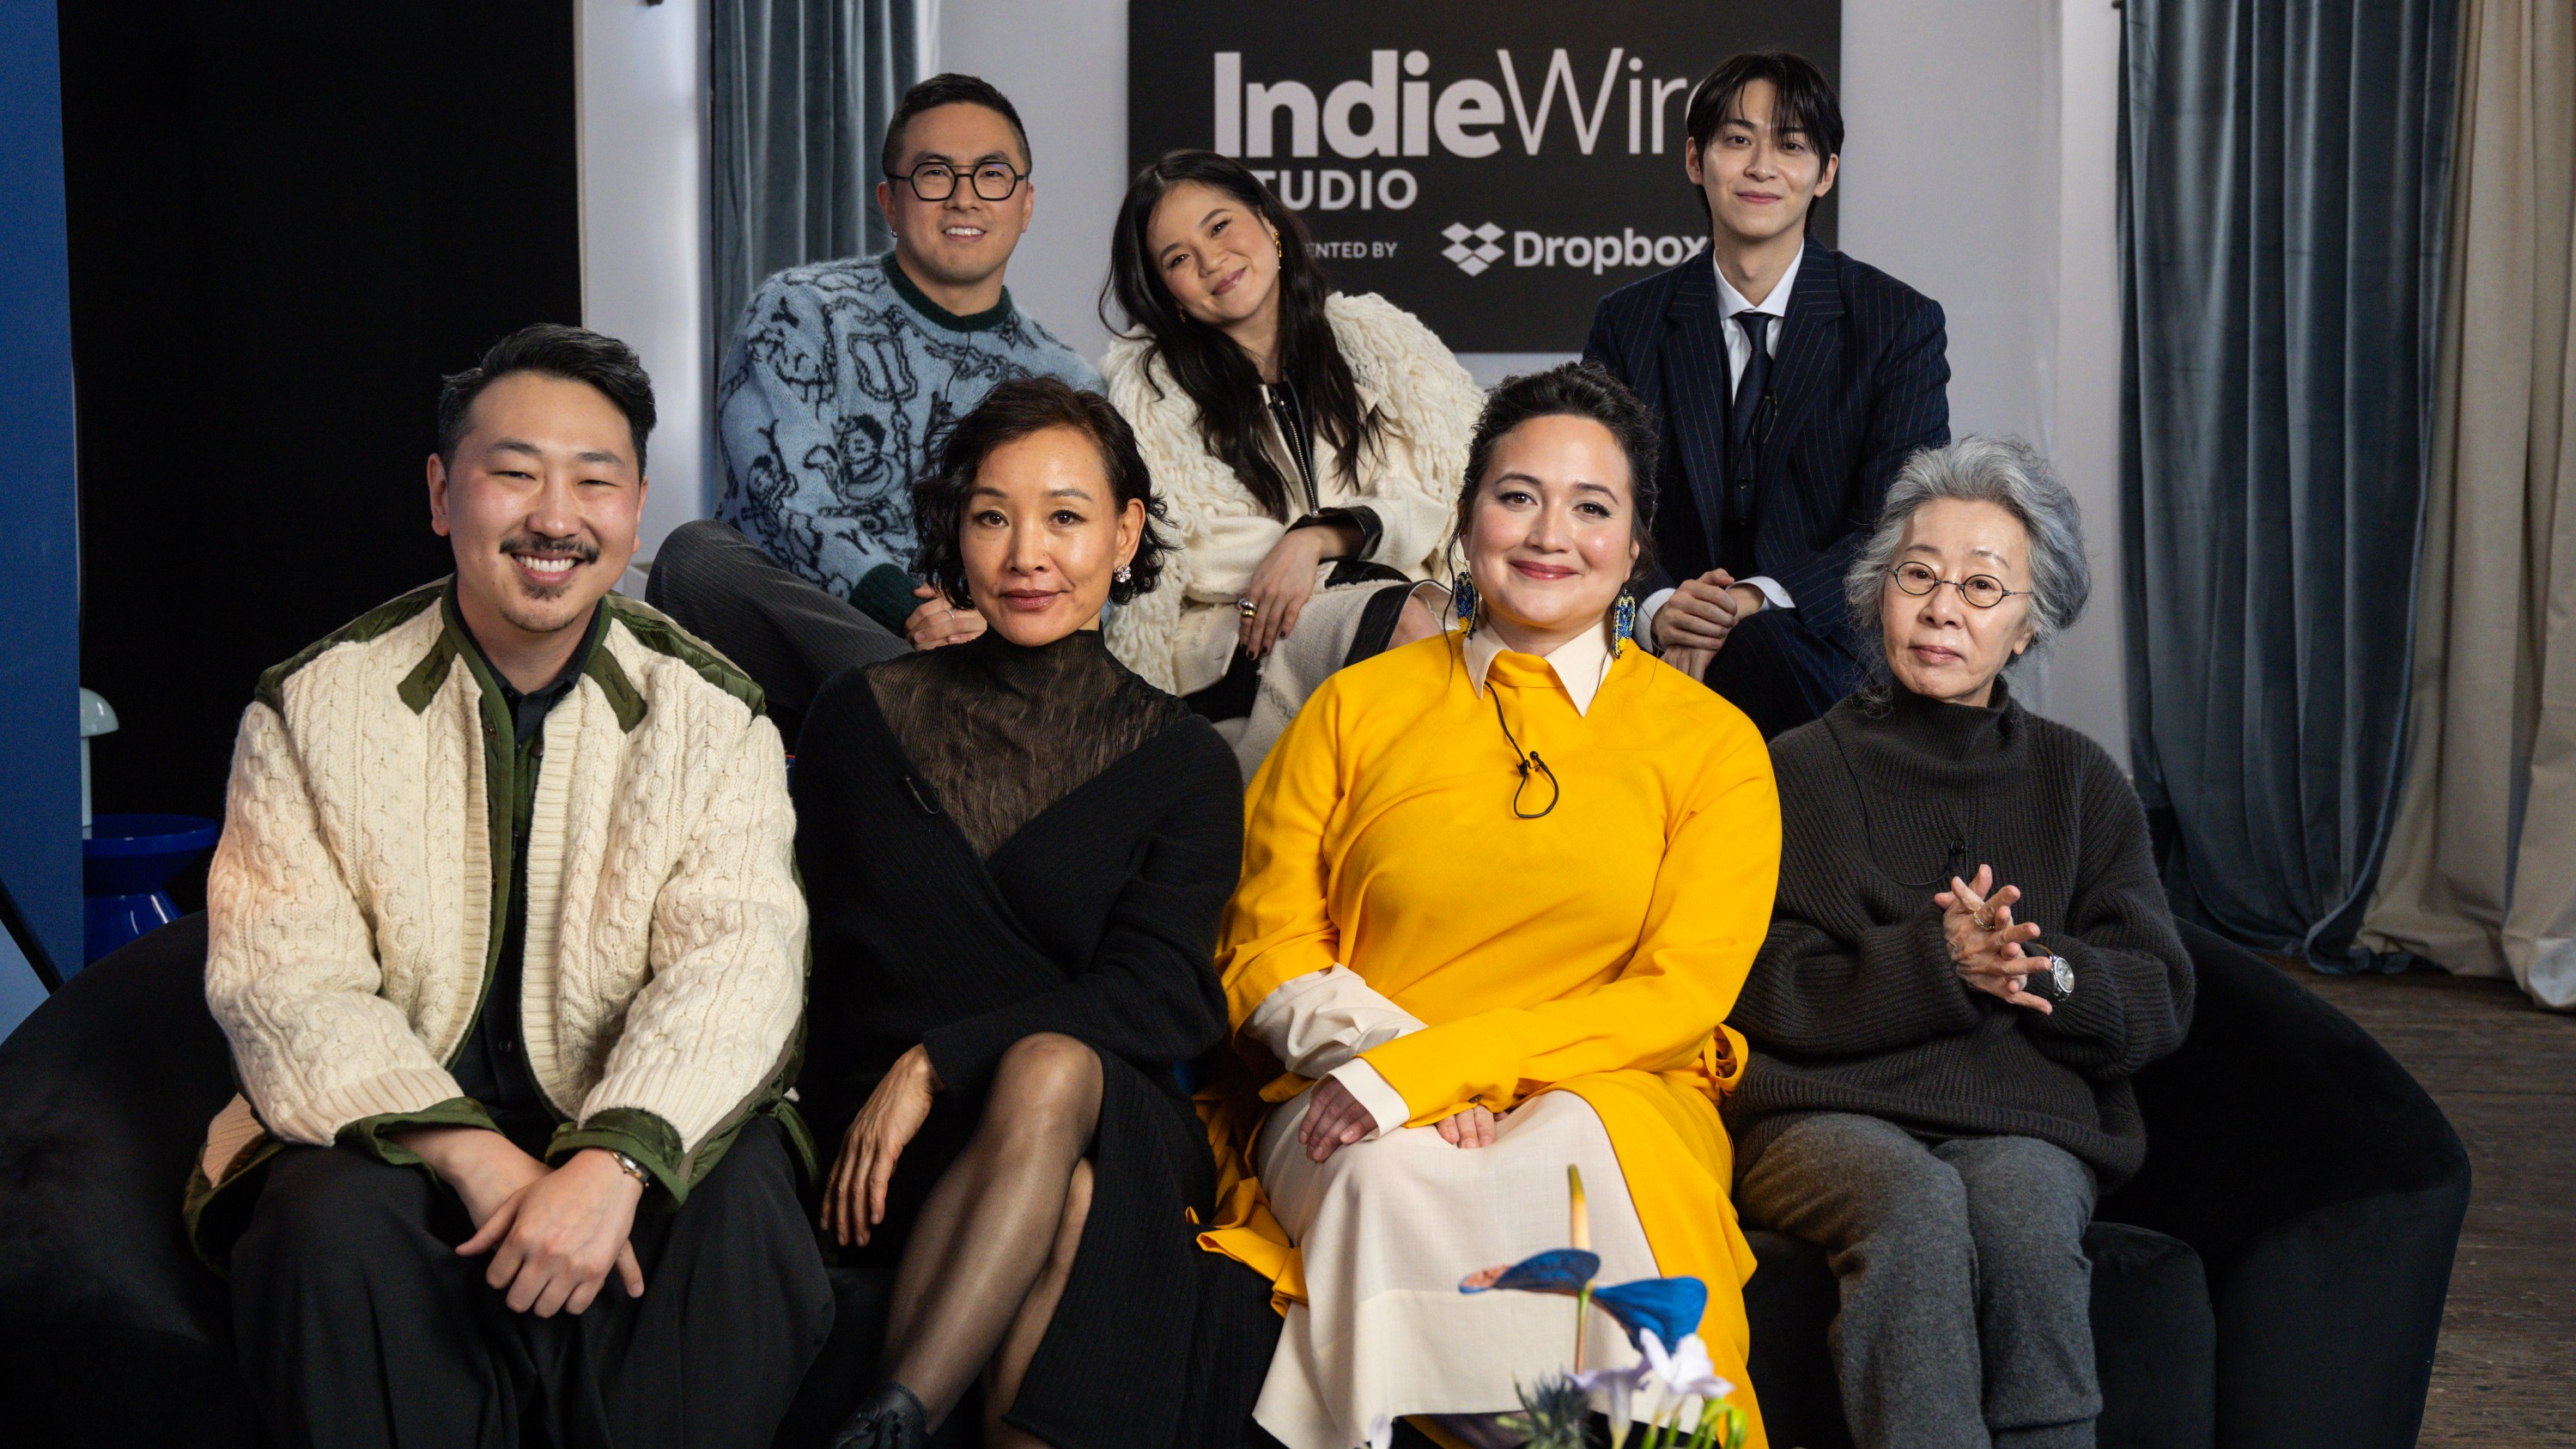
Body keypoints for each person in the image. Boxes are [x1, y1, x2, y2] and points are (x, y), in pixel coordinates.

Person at [188, 325, 829, 1447]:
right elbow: (284, 980)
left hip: (634, 1113)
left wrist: (614, 1155)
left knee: (743, 1207)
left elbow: (738, 963)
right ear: (444, 493)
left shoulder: (715, 714)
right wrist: (474, 1154)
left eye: (594, 479)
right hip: (404, 1131)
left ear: (633, 511)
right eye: (514, 472)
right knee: (320, 1223)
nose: (553, 515)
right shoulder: (309, 707)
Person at [1198, 364, 1779, 1449]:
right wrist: (1389, 1066)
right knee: (1383, 1175)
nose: (1550, 532)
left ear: (1636, 544)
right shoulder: (1352, 707)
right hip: (1348, 1089)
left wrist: (1439, 1070)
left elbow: (1683, 992)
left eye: (1591, 506)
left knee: (1572, 1160)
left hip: (1604, 1092)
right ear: (1467, 522)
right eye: (1518, 496)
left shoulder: (1714, 745)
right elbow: (1262, 945)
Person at [794, 377, 1279, 1449]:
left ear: (1124, 532)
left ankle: (889, 1420)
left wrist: (937, 1061)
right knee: (1067, 1202)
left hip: (1099, 1107)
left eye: (1065, 516)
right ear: (955, 533)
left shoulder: (1186, 760)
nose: (1027, 554)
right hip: (895, 1141)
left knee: (1054, 1070)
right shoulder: (859, 718)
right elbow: (806, 949)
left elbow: (1160, 991)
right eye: (992, 515)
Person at [1726, 438, 2194, 1449]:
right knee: (1917, 1205)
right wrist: (1935, 964)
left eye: (1984, 587)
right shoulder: (1787, 770)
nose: (1945, 609)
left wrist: (2041, 968)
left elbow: (2156, 997)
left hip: (2023, 1114)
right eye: (1920, 576)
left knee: (2024, 1214)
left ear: (2028, 627)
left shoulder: (2081, 781)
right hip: (1819, 1112)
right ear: (1876, 595)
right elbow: (1746, 979)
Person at [649, 72, 1100, 746]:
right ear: (889, 202)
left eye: (991, 174)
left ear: (1026, 202)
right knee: (695, 559)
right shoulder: (800, 309)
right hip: (820, 640)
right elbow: (783, 501)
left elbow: (1086, 552)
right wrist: (908, 610)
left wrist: (989, 622)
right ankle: (947, 708)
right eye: (934, 174)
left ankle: (948, 707)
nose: (964, 196)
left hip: (991, 642)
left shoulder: (1066, 380)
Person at [1584, 51, 1950, 740]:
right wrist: (1659, 605)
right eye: (1737, 139)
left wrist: (1756, 601)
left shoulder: (1897, 323)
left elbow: (1902, 523)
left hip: (1824, 649)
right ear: (1696, 160)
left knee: (1757, 652)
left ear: (1826, 174)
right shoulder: (1627, 322)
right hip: (1661, 639)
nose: (1761, 166)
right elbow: (1594, 501)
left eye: (1790, 145)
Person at [1099, 150, 1479, 767]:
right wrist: (1339, 559)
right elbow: (1191, 548)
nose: (1211, 259)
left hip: (1395, 609)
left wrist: (1318, 540)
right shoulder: (1150, 387)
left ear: (1268, 224)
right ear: (1168, 295)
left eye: (1219, 226)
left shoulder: (1377, 342)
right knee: (1411, 628)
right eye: (1178, 258)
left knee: (1432, 635)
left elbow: (1440, 497)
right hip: (1242, 644)